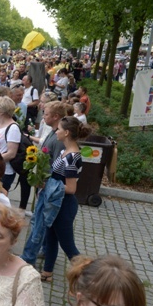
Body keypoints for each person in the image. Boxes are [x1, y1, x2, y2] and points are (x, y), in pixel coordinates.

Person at [40, 116, 92, 282]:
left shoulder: (72, 157)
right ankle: (47, 272)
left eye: (59, 129)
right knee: (50, 238)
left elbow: (71, 188)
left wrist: (48, 185)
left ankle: (90, 277)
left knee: (68, 245)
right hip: (56, 202)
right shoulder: (65, 151)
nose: (56, 131)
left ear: (67, 132)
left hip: (63, 205)